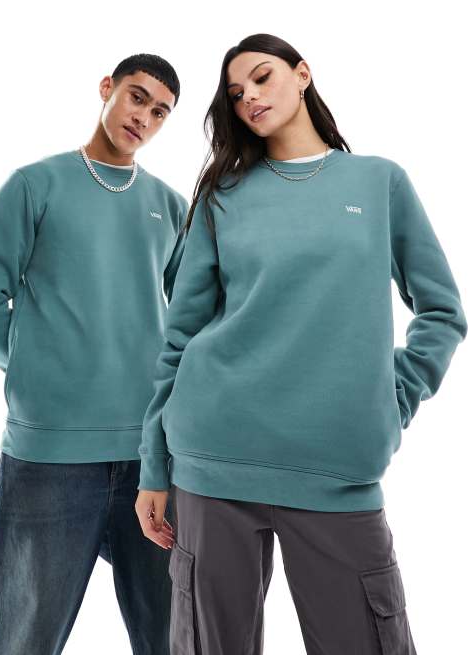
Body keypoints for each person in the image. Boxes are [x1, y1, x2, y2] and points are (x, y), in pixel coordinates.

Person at [135, 33, 467, 654]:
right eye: (237, 93)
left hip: (336, 466)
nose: (250, 98)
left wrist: (388, 401)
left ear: (303, 74)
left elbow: (443, 311)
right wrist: (153, 465)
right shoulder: (223, 196)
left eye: (262, 78)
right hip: (212, 456)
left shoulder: (378, 182)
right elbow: (179, 337)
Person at [0, 53, 187, 655]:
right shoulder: (36, 185)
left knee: (176, 639)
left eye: (160, 112)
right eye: (137, 97)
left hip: (152, 459)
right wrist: (38, 368)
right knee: (17, 640)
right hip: (50, 458)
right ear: (107, 88)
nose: (144, 117)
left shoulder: (169, 204)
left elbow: (195, 319)